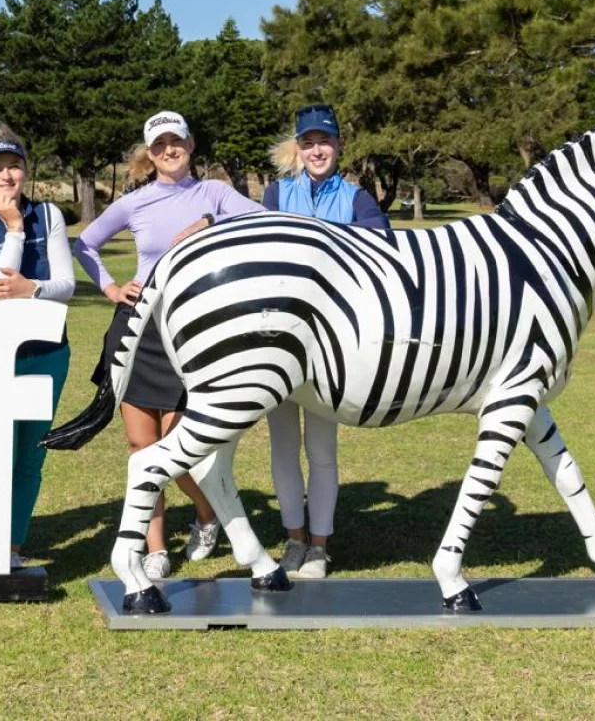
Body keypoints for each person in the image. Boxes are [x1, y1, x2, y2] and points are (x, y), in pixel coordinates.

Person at [72, 110, 264, 581]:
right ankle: (155, 547)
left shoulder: (214, 193)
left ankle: (207, 515)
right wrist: (111, 287)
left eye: (176, 141)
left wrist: (208, 223)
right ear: (149, 153)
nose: (169, 150)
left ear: (190, 145)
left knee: (181, 449)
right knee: (142, 445)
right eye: (159, 145)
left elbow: (263, 221)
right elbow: (86, 244)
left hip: (192, 332)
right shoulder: (135, 202)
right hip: (138, 326)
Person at [263, 103, 389, 579]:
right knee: (282, 447)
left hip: (330, 347)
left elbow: (380, 256)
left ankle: (319, 546)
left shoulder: (358, 199)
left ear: (339, 146)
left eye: (325, 142)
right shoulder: (277, 193)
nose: (317, 150)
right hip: (278, 341)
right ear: (298, 148)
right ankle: (294, 539)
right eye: (309, 142)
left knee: (321, 450)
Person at [0, 129, 75, 569]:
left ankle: (12, 548)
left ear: (25, 170)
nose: (6, 176)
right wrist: (15, 230)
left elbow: (66, 286)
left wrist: (33, 289)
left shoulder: (49, 213)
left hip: (47, 351)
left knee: (29, 456)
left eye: (13, 166)